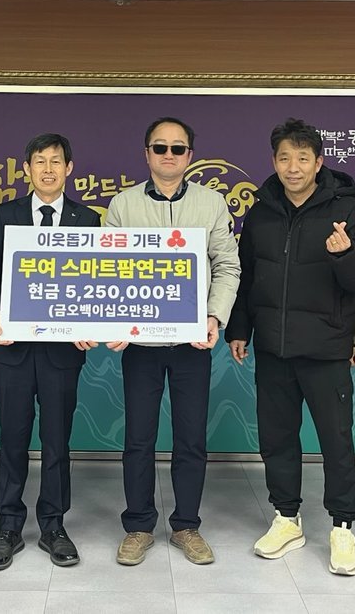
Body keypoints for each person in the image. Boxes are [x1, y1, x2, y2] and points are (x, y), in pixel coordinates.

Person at [226, 118, 355, 575]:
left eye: (302, 158)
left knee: (336, 440)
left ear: (318, 162)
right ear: (274, 161)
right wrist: (240, 329)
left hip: (326, 347)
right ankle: (286, 518)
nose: (292, 167)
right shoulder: (261, 212)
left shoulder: (346, 210)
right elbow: (246, 276)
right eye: (284, 158)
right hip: (273, 347)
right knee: (276, 438)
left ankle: (342, 527)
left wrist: (344, 253)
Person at [105, 117, 241, 567]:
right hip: (140, 346)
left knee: (191, 438)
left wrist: (214, 315)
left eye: (177, 148)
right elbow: (108, 268)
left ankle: (186, 525)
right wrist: (115, 321)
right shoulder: (123, 204)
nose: (168, 155)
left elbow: (227, 265)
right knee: (138, 438)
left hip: (191, 344)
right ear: (146, 154)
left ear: (189, 156)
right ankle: (139, 526)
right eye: (159, 147)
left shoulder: (211, 202)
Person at [0, 133, 101, 571]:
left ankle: (53, 526)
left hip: (62, 353)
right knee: (12, 440)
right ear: (27, 169)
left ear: (69, 168)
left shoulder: (88, 220)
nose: (48, 169)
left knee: (56, 442)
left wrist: (90, 323)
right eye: (39, 162)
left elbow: (95, 280)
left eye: (55, 161)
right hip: (13, 350)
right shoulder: (5, 215)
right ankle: (8, 527)